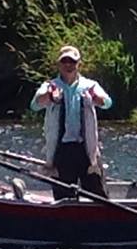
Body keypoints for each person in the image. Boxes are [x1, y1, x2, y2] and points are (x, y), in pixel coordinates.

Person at [30, 45, 112, 199]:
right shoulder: (50, 85)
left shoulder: (90, 85)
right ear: (59, 64)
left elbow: (108, 103)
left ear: (78, 63)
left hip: (86, 147)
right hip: (62, 149)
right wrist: (49, 96)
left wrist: (96, 99)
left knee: (98, 193)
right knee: (64, 195)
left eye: (72, 62)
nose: (68, 65)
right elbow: (34, 105)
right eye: (65, 61)